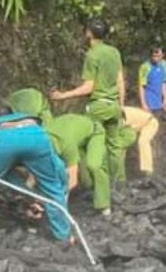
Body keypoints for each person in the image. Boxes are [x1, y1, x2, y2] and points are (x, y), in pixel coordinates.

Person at [0, 106, 72, 243]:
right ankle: (64, 237)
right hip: (36, 137)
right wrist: (62, 185)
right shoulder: (27, 119)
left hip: (3, 140)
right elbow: (57, 165)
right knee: (53, 188)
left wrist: (25, 193)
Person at [50, 18, 126, 194]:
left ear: (88, 33)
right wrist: (120, 106)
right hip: (113, 106)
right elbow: (120, 81)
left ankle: (92, 187)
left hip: (97, 107)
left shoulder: (92, 55)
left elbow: (89, 87)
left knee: (88, 145)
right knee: (114, 146)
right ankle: (118, 185)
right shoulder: (114, 52)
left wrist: (63, 96)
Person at [6, 88, 111, 215]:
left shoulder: (66, 145)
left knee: (93, 165)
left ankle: (104, 205)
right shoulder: (41, 139)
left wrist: (58, 203)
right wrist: (27, 193)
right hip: (76, 133)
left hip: (94, 132)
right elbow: (36, 170)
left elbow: (72, 180)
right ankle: (91, 190)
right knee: (87, 180)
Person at [121, 106, 160, 175]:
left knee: (143, 142)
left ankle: (148, 169)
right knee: (122, 143)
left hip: (150, 122)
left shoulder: (122, 115)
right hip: (138, 125)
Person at [137, 46, 166, 115]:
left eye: (158, 56)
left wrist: (165, 99)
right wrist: (143, 104)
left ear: (162, 55)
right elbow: (141, 87)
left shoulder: (164, 64)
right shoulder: (145, 67)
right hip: (148, 102)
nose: (156, 58)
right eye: (154, 56)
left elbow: (163, 83)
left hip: (159, 102)